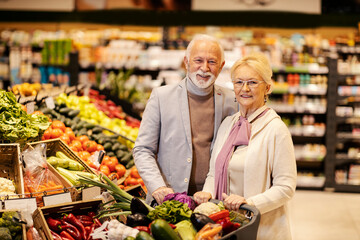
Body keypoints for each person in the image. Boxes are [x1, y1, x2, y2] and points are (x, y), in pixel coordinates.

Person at [194, 52, 297, 240]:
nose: (245, 88)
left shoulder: (275, 129)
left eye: (253, 82)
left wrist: (249, 202)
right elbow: (213, 172)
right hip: (226, 226)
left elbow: (286, 187)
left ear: (267, 87)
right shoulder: (228, 124)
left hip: (261, 228)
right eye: (239, 82)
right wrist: (207, 192)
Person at [133, 34, 238, 205]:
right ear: (186, 62)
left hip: (214, 200)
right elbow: (143, 149)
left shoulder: (232, 101)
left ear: (221, 66)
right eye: (198, 60)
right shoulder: (161, 97)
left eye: (212, 62)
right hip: (168, 198)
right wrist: (157, 186)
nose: (204, 68)